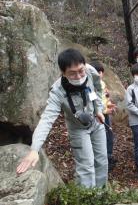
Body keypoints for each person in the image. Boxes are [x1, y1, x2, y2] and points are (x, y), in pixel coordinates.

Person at [16, 49, 108, 188]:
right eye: (72, 73)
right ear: (63, 72)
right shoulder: (57, 91)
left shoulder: (90, 71)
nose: (78, 76)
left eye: (80, 70)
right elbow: (46, 120)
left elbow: (98, 88)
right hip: (78, 129)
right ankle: (87, 199)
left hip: (96, 121)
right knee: (86, 166)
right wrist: (34, 149)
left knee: (102, 161)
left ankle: (101, 195)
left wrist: (99, 109)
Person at [90, 61, 117, 171]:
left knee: (109, 136)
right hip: (97, 116)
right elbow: (93, 102)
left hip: (105, 114)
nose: (99, 74)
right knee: (101, 137)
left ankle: (108, 156)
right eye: (97, 72)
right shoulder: (90, 86)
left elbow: (104, 99)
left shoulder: (103, 83)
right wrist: (105, 110)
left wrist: (109, 105)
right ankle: (102, 161)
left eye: (101, 72)